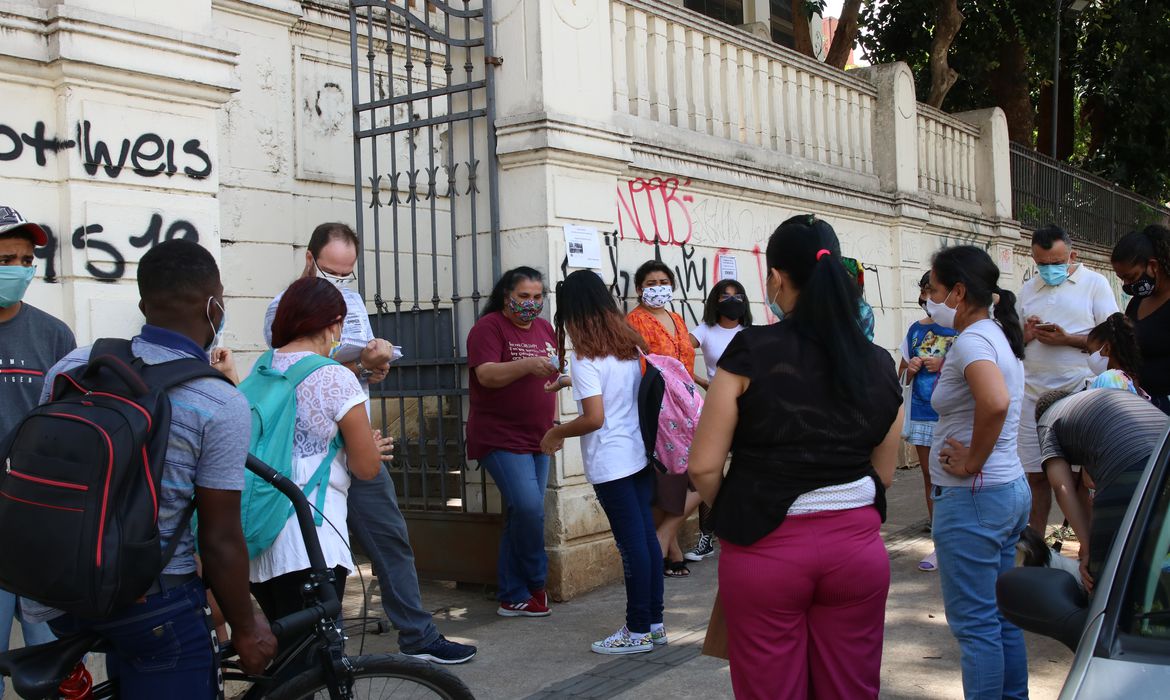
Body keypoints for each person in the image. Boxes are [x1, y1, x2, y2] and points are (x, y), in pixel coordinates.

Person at [33, 239, 275, 696]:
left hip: (60, 587)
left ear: (144, 304)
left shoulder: (75, 365)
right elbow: (220, 539)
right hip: (152, 601)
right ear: (214, 308)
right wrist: (246, 628)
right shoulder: (219, 402)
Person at [688, 215, 903, 700]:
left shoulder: (750, 350)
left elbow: (702, 465)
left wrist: (738, 511)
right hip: (857, 552)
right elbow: (884, 473)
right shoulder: (879, 363)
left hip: (766, 553)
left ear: (777, 279)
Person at [263, 223, 475, 664]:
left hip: (353, 432)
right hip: (309, 454)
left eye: (347, 275)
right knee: (312, 560)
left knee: (389, 537)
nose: (339, 284)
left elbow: (350, 367)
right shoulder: (283, 307)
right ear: (309, 258)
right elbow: (300, 354)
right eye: (330, 272)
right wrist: (360, 359)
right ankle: (319, 657)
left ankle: (416, 636)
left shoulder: (353, 304)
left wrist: (372, 367)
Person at [250, 277, 390, 633]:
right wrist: (370, 448)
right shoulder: (335, 378)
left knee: (284, 653)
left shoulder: (263, 367)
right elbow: (366, 467)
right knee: (309, 661)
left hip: (260, 527)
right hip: (311, 536)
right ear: (335, 325)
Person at [540, 270, 664, 655]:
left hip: (611, 464)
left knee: (632, 547)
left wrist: (555, 434)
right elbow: (618, 391)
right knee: (646, 540)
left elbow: (594, 417)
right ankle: (654, 623)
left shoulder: (585, 357)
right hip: (639, 456)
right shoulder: (628, 345)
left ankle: (637, 629)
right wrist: (567, 382)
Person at [928, 244, 1030, 700]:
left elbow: (995, 402)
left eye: (933, 289)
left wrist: (972, 461)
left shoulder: (972, 341)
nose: (929, 298)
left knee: (976, 626)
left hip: (975, 497)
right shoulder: (996, 335)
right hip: (1003, 493)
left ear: (959, 292)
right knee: (1000, 618)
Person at [0, 207, 75, 697]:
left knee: (52, 663)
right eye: (7, 258)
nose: (20, 269)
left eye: (27, 259)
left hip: (41, 521)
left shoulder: (54, 335)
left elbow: (73, 423)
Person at [467, 267, 566, 618]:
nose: (531, 304)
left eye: (537, 297)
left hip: (538, 434)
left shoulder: (544, 328)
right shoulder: (488, 327)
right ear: (506, 295)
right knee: (528, 508)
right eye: (524, 296)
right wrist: (527, 365)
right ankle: (536, 581)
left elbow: (550, 372)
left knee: (520, 514)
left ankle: (512, 594)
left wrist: (566, 382)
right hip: (500, 435)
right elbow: (487, 374)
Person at [1017, 225, 1117, 536]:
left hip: (1077, 397)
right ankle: (1035, 548)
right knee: (1035, 477)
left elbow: (1112, 337)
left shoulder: (1094, 284)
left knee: (1076, 482)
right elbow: (1013, 344)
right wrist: (1027, 334)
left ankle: (1089, 551)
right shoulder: (1028, 289)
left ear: (1072, 255)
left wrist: (1068, 339)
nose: (1049, 269)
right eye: (1042, 263)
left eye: (1056, 263)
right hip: (1032, 397)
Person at [1033, 388, 1168, 592]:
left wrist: (1088, 548)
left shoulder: (1047, 420)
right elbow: (1089, 482)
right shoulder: (1093, 403)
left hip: (1128, 462)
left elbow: (1062, 487)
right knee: (1155, 551)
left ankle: (1114, 620)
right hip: (1163, 451)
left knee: (1105, 570)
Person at [625, 261, 700, 577]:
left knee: (699, 475)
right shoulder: (633, 321)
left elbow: (684, 364)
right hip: (660, 408)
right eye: (651, 282)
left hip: (689, 406)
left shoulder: (677, 318)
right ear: (640, 288)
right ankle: (670, 548)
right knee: (669, 477)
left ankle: (666, 539)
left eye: (664, 281)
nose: (658, 286)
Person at [683, 280, 751, 563]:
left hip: (749, 409)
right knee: (708, 469)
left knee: (747, 468)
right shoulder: (705, 330)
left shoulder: (750, 334)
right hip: (717, 410)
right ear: (715, 300)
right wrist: (702, 382)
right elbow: (678, 354)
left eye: (738, 296)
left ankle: (744, 527)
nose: (732, 300)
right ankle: (707, 536)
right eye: (725, 296)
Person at [899, 271, 958, 573]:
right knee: (930, 477)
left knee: (956, 478)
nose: (928, 298)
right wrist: (911, 368)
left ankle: (957, 541)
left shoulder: (962, 330)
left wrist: (944, 363)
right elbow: (900, 376)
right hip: (923, 414)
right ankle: (939, 543)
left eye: (933, 291)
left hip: (953, 418)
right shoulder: (914, 331)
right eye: (925, 291)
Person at [1112, 224, 1170, 414]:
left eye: (1131, 277)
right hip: (1141, 405)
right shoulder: (1137, 303)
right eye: (1122, 279)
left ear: (1153, 266)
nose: (1127, 285)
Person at [1084, 313, 1147, 396]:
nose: (1089, 357)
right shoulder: (1131, 380)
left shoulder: (1109, 379)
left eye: (1090, 352)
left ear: (1107, 349)